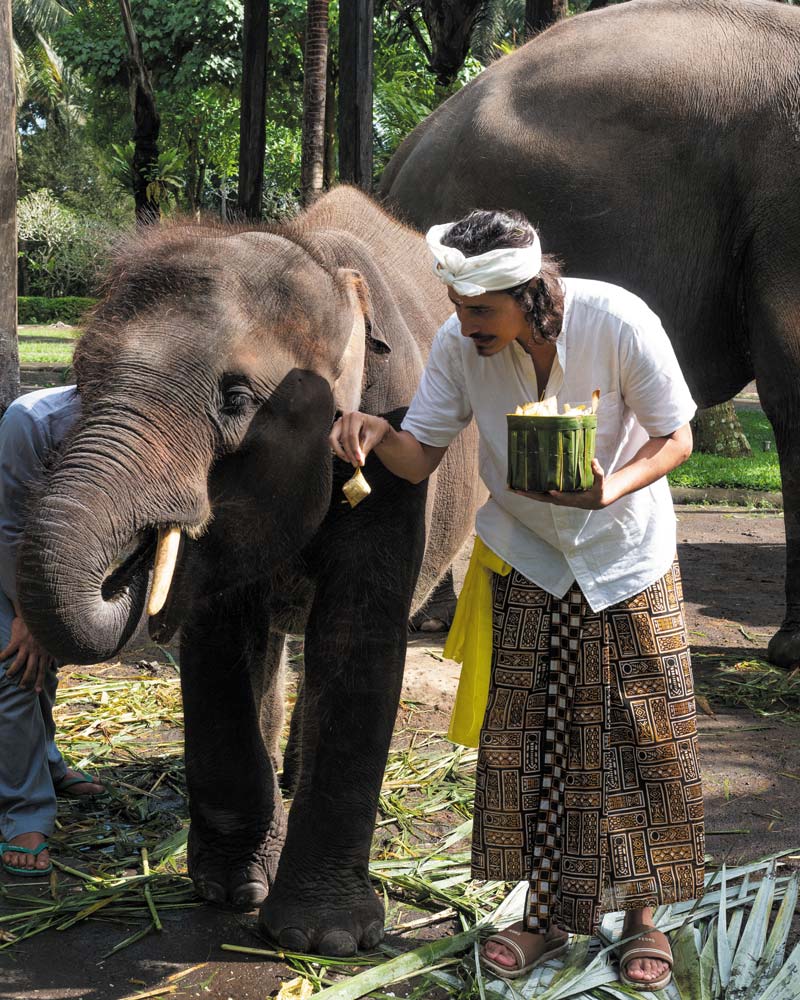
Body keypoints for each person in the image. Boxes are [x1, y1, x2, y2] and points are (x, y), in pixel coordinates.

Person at [330, 209, 704, 990]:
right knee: (535, 736)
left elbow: (677, 437)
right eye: (459, 309)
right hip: (528, 556)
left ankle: (645, 917)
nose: (463, 326)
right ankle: (541, 915)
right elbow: (420, 454)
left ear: (530, 294)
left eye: (479, 311)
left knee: (645, 733)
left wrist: (611, 489)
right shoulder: (457, 345)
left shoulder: (618, 321)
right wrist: (370, 430)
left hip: (626, 553)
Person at [0, 385, 104, 878]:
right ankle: (24, 811)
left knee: (44, 661)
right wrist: (29, 615)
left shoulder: (151, 415)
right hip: (7, 554)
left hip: (55, 555)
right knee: (14, 665)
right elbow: (9, 527)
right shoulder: (34, 419)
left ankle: (45, 761)